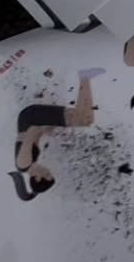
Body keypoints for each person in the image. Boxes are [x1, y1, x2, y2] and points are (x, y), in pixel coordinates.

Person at [9, 68, 104, 200]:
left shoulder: (23, 164)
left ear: (38, 178)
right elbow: (32, 136)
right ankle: (85, 78)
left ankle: (85, 77)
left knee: (83, 119)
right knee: (84, 120)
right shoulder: (29, 164)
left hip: (31, 118)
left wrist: (46, 128)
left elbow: (31, 132)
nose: (48, 171)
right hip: (31, 118)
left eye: (47, 174)